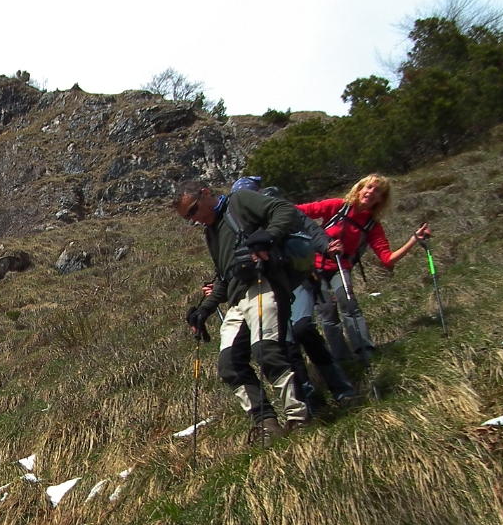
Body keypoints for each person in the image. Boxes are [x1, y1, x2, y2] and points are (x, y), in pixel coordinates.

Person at [179, 183, 310, 441]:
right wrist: (204, 310)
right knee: (229, 364)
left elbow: (285, 210)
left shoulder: (239, 202)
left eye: (194, 209)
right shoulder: (211, 233)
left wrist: (268, 236)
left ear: (205, 193)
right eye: (188, 217)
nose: (195, 218)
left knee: (267, 351)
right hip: (238, 299)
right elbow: (224, 277)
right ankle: (266, 425)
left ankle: (299, 418)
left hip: (264, 284)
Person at [230, 177, 357, 409]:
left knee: (302, 328)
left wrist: (326, 246)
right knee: (285, 343)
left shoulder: (277, 208)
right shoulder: (239, 226)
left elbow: (308, 226)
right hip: (271, 288)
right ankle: (310, 400)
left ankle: (342, 388)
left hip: (299, 280)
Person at [297, 174, 431, 364]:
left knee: (348, 303)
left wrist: (413, 240)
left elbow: (388, 259)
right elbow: (298, 212)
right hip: (314, 266)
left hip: (340, 268)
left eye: (377, 191)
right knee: (327, 312)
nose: (371, 192)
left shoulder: (371, 225)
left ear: (381, 199)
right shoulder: (337, 206)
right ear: (359, 189)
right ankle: (341, 358)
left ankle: (364, 351)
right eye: (368, 187)